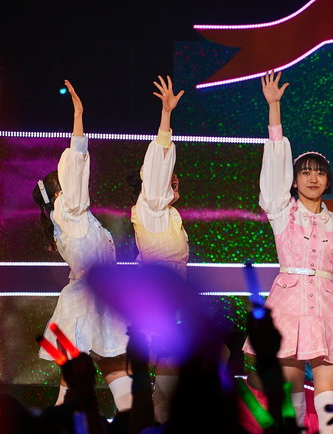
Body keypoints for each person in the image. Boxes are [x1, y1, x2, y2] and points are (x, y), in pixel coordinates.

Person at [243, 71, 333, 434]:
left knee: (327, 397)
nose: (313, 178)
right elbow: (274, 169)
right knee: (291, 396)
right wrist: (274, 110)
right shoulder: (283, 213)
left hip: (328, 311)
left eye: (319, 173)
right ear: (294, 181)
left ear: (328, 181)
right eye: (305, 173)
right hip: (289, 308)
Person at [33, 80, 131, 412]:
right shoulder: (68, 211)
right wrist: (78, 117)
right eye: (66, 182)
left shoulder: (74, 217)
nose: (73, 184)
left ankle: (132, 421)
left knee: (110, 372)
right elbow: (76, 161)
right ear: (59, 192)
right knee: (84, 377)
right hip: (88, 300)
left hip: (98, 297)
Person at [129, 75, 189, 424]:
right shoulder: (150, 205)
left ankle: (157, 413)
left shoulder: (166, 213)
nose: (172, 179)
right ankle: (152, 415)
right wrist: (166, 116)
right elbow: (159, 166)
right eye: (168, 177)